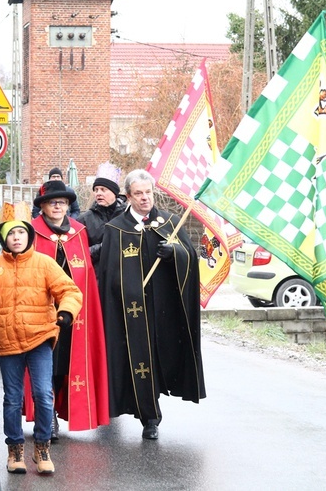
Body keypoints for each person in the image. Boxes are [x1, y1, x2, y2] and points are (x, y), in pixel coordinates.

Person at [0, 218, 82, 475]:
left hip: (40, 338)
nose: (16, 237)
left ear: (28, 236)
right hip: (7, 342)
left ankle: (42, 446)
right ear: (4, 239)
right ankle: (14, 449)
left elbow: (69, 291)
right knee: (13, 399)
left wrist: (67, 311)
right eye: (11, 234)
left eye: (20, 233)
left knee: (43, 395)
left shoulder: (44, 263)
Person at [97, 169, 206, 440]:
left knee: (159, 362)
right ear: (128, 196)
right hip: (131, 312)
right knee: (137, 363)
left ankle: (153, 411)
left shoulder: (170, 222)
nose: (145, 198)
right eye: (139, 194)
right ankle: (150, 418)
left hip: (164, 312)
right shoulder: (115, 229)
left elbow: (190, 260)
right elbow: (108, 273)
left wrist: (175, 254)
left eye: (148, 192)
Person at [29, 181, 109, 439]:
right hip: (41, 310)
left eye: (62, 202)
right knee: (45, 362)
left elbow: (84, 271)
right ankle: (46, 414)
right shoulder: (31, 231)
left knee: (65, 363)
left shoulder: (78, 231)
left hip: (73, 313)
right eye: (52, 202)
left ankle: (60, 409)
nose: (57, 206)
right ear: (42, 205)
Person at [77, 163, 127, 273]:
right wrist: (102, 248)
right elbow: (79, 254)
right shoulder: (84, 220)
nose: (98, 193)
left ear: (114, 193)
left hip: (124, 276)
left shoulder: (128, 216)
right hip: (97, 277)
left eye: (103, 190)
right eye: (96, 190)